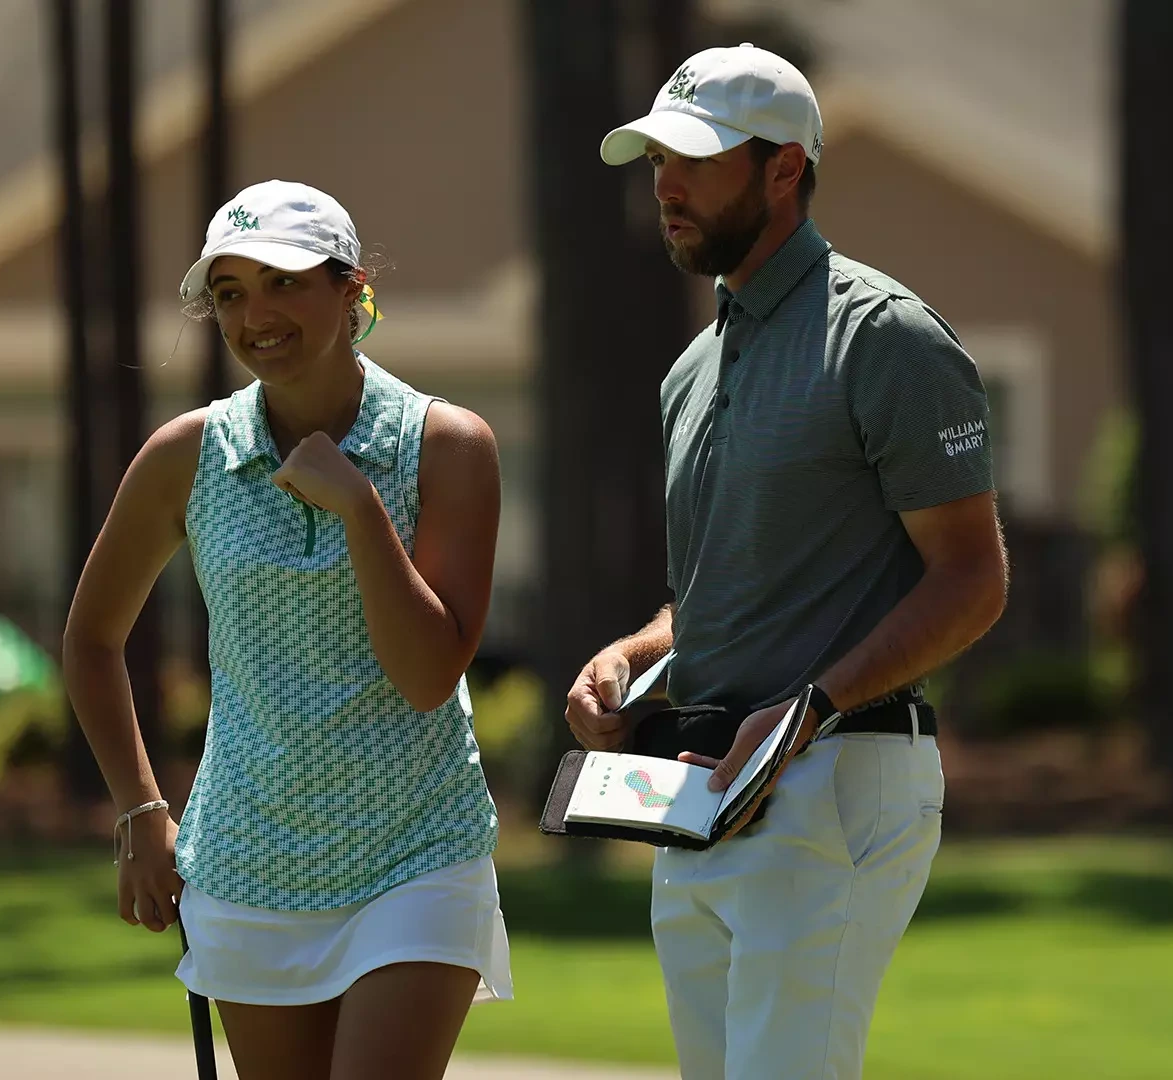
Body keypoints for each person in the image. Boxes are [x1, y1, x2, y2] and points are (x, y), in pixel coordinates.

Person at [567, 44, 1009, 1079]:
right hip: (701, 791)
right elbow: (716, 592)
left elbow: (972, 579)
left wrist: (810, 706)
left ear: (783, 170)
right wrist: (634, 657)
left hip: (837, 772)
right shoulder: (694, 365)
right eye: (656, 160)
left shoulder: (887, 337)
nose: (667, 186)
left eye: (697, 159)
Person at [63, 179, 512, 1080]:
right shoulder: (186, 455)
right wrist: (142, 812)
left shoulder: (449, 445)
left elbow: (428, 674)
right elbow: (91, 640)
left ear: (351, 292)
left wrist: (359, 510)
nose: (253, 316)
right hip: (246, 864)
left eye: (283, 283)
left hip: (416, 856)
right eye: (229, 293)